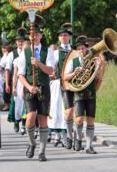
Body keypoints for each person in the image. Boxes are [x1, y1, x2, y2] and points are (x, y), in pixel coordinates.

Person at [17, 25, 55, 161]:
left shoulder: (48, 51)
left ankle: (42, 152)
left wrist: (38, 63)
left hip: (44, 87)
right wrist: (28, 86)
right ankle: (32, 143)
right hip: (29, 88)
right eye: (32, 34)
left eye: (37, 34)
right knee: (31, 116)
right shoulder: (24, 52)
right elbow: (20, 74)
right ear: (29, 36)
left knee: (43, 118)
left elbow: (50, 70)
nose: (34, 36)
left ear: (41, 35)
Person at [63, 36, 102, 154]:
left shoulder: (94, 61)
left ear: (86, 49)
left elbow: (99, 78)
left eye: (83, 48)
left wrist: (99, 67)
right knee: (79, 120)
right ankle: (78, 138)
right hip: (79, 93)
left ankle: (89, 147)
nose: (81, 50)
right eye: (78, 49)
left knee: (90, 120)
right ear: (76, 50)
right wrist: (74, 73)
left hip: (90, 93)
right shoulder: (72, 62)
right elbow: (65, 77)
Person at [48, 24, 73, 147]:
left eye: (66, 35)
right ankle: (58, 136)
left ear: (69, 37)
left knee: (68, 110)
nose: (63, 37)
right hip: (59, 83)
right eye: (61, 35)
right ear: (59, 38)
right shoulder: (56, 52)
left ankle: (67, 136)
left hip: (72, 84)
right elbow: (51, 67)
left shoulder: (74, 51)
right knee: (57, 108)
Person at [6, 28, 27, 128]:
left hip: (27, 81)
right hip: (17, 81)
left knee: (25, 102)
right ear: (16, 42)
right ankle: (16, 121)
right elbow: (7, 70)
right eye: (19, 41)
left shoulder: (28, 52)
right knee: (16, 101)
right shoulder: (12, 54)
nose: (20, 43)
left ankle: (24, 121)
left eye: (22, 41)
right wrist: (7, 84)